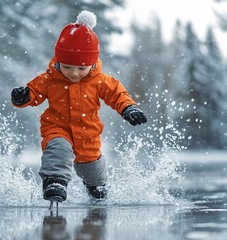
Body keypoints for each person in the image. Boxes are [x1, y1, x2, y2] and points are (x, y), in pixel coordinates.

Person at [11, 10, 147, 203]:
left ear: (92, 64)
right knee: (58, 148)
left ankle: (96, 189)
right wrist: (22, 97)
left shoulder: (100, 81)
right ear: (59, 61)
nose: (74, 73)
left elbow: (118, 94)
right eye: (67, 67)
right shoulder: (49, 79)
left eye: (81, 68)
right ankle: (54, 181)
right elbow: (34, 93)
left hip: (87, 134)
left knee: (93, 171)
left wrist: (129, 108)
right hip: (57, 128)